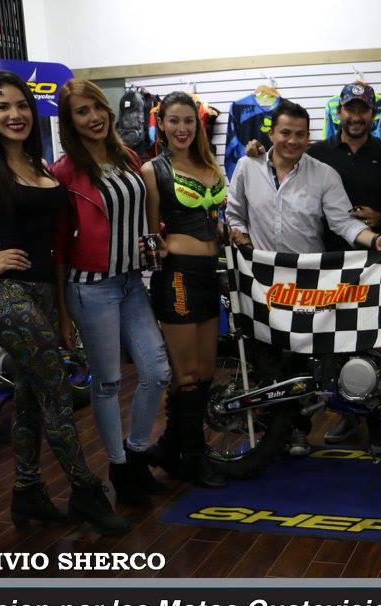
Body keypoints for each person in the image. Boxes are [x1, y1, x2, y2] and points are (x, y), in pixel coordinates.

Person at [0, 71, 129, 535]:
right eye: (2, 107)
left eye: (21, 105)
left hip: (45, 294)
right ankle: (86, 491)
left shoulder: (42, 166)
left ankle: (27, 490)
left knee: (32, 396)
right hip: (9, 296)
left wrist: (63, 312)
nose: (15, 115)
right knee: (57, 393)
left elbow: (56, 243)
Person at [226, 99, 381, 456]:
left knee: (303, 360)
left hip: (308, 282)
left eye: (300, 134)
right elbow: (234, 214)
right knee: (268, 358)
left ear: (310, 137)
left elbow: (343, 223)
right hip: (262, 280)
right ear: (272, 133)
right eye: (285, 133)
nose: (292, 141)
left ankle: (302, 427)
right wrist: (240, 236)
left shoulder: (323, 173)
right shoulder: (247, 166)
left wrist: (375, 241)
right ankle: (284, 431)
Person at [53, 79, 172, 508]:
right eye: (81, 112)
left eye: (97, 108)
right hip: (90, 288)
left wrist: (154, 241)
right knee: (107, 381)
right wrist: (62, 314)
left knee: (157, 372)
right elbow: (59, 246)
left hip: (130, 282)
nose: (94, 118)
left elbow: (139, 216)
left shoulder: (127, 157)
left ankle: (136, 455)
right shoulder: (64, 172)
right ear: (70, 122)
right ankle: (119, 467)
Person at [140, 91, 228, 487]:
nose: (182, 128)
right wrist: (152, 249)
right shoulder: (153, 169)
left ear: (198, 124)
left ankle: (168, 449)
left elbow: (216, 216)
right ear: (161, 124)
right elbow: (149, 231)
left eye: (188, 121)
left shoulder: (210, 164)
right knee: (187, 374)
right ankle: (193, 458)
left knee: (206, 371)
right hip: (177, 275)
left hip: (210, 272)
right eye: (174, 121)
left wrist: (226, 231)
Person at [307, 83, 381, 452]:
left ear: (373, 114)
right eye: (350, 109)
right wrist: (258, 150)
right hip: (330, 258)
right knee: (335, 344)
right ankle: (346, 415)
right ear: (339, 112)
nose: (356, 116)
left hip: (375, 259)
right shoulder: (317, 152)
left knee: (375, 342)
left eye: (363, 109)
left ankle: (376, 421)